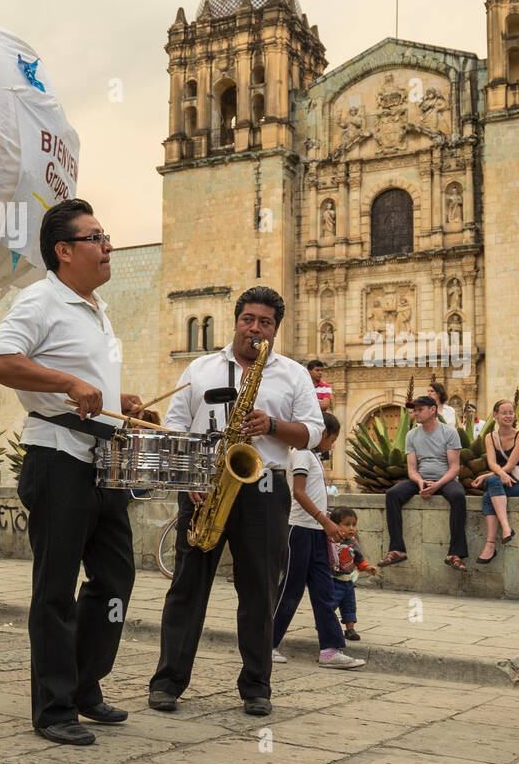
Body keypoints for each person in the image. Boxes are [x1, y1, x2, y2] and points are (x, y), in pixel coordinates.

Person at [0, 198, 145, 747]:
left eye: (106, 236)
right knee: (55, 589)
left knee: (116, 578)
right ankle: (53, 709)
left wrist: (118, 398)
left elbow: (87, 378)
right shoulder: (40, 299)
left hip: (105, 462)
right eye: (96, 237)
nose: (107, 246)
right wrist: (67, 384)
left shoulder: (97, 307)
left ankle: (83, 685)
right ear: (64, 249)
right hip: (58, 459)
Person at [149, 285, 323, 717]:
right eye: (248, 319)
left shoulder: (293, 373)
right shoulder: (200, 368)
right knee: (187, 587)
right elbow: (176, 427)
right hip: (204, 485)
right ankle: (168, 682)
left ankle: (256, 687)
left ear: (275, 329)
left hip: (263, 488)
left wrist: (272, 425)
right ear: (236, 321)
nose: (255, 328)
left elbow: (314, 433)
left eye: (265, 322)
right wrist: (190, 475)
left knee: (260, 591)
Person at [269, 414, 365, 669]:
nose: (332, 445)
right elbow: (299, 492)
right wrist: (326, 521)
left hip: (315, 532)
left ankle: (330, 648)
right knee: (290, 590)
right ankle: (267, 642)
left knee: (324, 591)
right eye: (332, 440)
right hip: (300, 530)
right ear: (323, 434)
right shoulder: (301, 453)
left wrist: (326, 526)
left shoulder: (312, 457)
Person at [380, 394, 468, 571]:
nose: (416, 413)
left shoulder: (449, 432)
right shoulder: (411, 435)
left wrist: (437, 485)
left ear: (433, 410)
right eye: (414, 410)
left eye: (420, 409)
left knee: (458, 496)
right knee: (392, 494)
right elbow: (412, 468)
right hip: (421, 478)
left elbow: (454, 468)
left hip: (445, 479)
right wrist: (420, 482)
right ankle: (397, 549)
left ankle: (455, 553)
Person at [471, 398, 519, 564]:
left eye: (511, 412)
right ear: (495, 415)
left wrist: (486, 476)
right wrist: (497, 475)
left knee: (491, 484)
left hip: (518, 483)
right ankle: (501, 534)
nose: (508, 416)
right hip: (500, 482)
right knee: (490, 490)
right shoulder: (490, 437)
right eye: (504, 412)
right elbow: (492, 463)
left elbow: (510, 466)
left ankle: (496, 538)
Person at [326, 505, 378, 641]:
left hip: (348, 582)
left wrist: (367, 568)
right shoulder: (330, 542)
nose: (351, 528)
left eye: (354, 525)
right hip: (333, 581)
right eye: (347, 525)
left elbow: (359, 559)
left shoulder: (353, 543)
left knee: (349, 606)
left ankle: (350, 630)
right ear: (335, 525)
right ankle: (324, 624)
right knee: (330, 605)